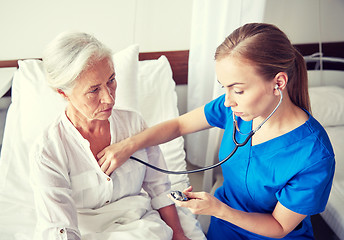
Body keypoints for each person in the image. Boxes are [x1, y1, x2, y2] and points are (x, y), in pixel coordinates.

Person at [97, 23, 335, 239]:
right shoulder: (236, 110)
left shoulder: (313, 155)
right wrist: (129, 145)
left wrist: (218, 209)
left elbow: (279, 226)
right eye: (225, 88)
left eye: (238, 90)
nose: (228, 100)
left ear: (278, 83)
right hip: (224, 228)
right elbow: (179, 125)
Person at [29, 31, 194, 240]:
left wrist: (178, 234)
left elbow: (159, 188)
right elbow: (59, 228)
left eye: (111, 80)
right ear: (63, 93)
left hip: (142, 228)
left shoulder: (134, 125)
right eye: (94, 90)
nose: (109, 98)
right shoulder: (49, 151)